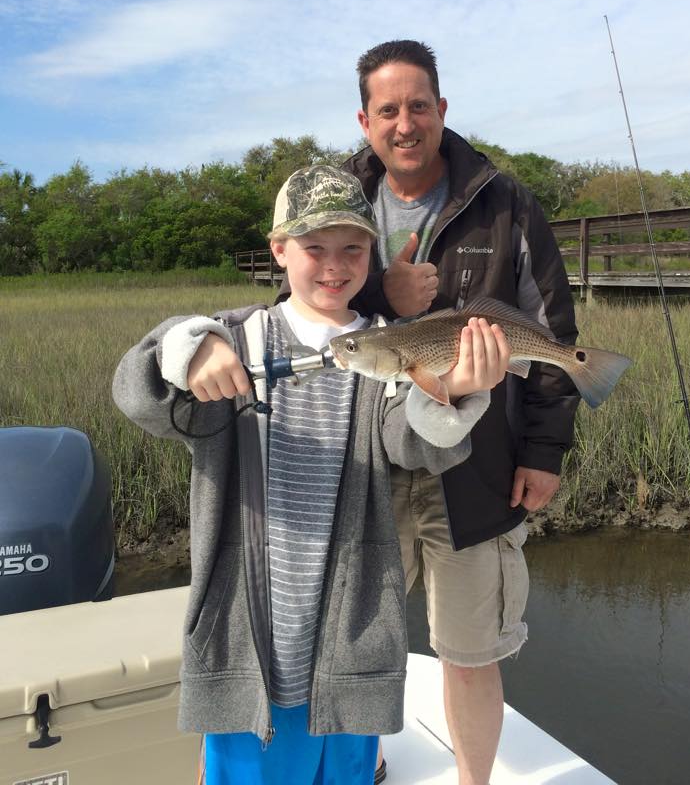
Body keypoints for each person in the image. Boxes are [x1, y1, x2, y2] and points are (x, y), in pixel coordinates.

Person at [113, 164, 511, 785]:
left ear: (372, 253)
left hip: (351, 638)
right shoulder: (237, 336)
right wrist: (188, 347)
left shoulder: (391, 343)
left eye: (352, 247)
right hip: (247, 634)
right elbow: (138, 396)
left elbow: (411, 446)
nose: (334, 264)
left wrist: (455, 391)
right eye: (313, 247)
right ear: (278, 250)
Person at [346, 40, 581, 785]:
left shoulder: (506, 200)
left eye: (419, 105)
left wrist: (544, 453)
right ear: (365, 120)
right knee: (360, 644)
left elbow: (554, 329)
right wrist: (382, 295)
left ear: (442, 110)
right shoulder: (339, 200)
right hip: (365, 469)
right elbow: (308, 310)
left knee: (470, 653)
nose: (405, 123)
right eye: (389, 110)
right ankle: (366, 766)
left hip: (478, 468)